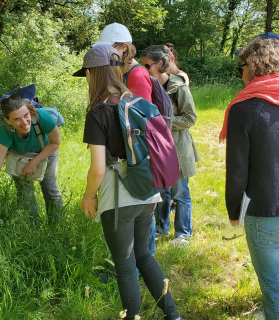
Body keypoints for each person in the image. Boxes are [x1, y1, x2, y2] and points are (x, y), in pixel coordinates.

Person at [73, 44, 186, 320]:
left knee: (124, 265)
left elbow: (99, 168)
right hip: (146, 191)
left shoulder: (98, 113)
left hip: (118, 197)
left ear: (91, 74)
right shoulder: (133, 101)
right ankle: (173, 316)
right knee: (145, 256)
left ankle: (131, 317)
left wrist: (88, 196)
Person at [220, 32, 279, 320]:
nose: (239, 74)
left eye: (240, 67)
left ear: (252, 66)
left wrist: (234, 215)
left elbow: (237, 172)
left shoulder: (244, 108)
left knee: (274, 289)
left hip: (264, 212)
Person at [92, 22, 156, 255]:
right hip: (125, 162)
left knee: (140, 227)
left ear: (124, 47)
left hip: (136, 164)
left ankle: (140, 264)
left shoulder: (137, 75)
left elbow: (140, 123)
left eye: (111, 49)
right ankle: (135, 264)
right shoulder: (123, 73)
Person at [142, 45, 199, 244]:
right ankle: (161, 228)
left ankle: (183, 234)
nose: (144, 70)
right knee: (161, 191)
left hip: (178, 149)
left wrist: (164, 121)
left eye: (147, 66)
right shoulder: (146, 87)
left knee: (180, 192)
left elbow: (191, 118)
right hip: (158, 149)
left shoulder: (179, 87)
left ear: (160, 64)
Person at [0, 93, 63, 227]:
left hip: (46, 148)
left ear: (29, 111)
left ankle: (58, 228)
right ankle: (33, 229)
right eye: (17, 119)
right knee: (25, 193)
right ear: (8, 120)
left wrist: (34, 162)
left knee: (49, 187)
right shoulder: (5, 131)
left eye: (26, 115)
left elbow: (56, 142)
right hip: (19, 154)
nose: (24, 123)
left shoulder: (43, 118)